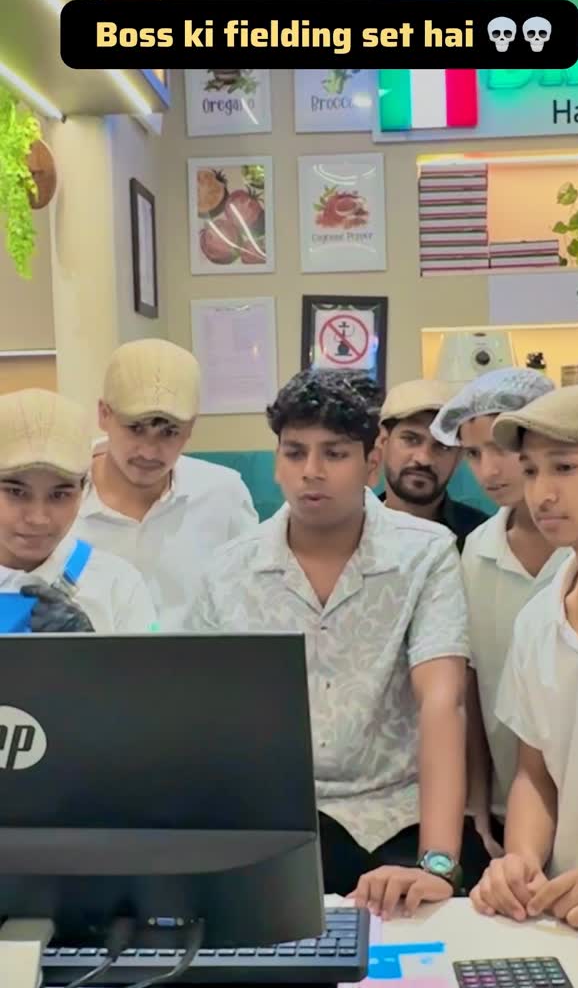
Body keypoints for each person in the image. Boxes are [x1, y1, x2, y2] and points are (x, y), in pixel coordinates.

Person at [190, 370, 470, 913]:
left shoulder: (426, 554)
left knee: (415, 931)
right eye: (295, 452)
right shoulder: (227, 571)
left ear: (371, 462)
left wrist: (437, 864)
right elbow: (207, 720)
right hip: (275, 820)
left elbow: (443, 702)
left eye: (334, 454)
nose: (311, 472)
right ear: (276, 461)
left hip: (398, 816)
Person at [470, 385, 578, 936]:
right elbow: (535, 772)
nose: (541, 493)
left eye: (564, 467)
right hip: (573, 920)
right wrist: (520, 857)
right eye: (531, 470)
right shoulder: (538, 621)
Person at [430, 368, 570, 888]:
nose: (488, 470)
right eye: (472, 453)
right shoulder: (475, 553)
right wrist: (477, 802)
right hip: (513, 804)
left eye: (500, 448)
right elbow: (471, 683)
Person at [75, 338, 258, 629]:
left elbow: (252, 601)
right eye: (135, 428)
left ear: (191, 427)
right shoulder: (58, 501)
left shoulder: (224, 495)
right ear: (104, 414)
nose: (149, 452)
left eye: (169, 432)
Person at [0, 388, 157, 633]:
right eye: (16, 492)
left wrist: (91, 649)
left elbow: (154, 659)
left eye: (59, 495)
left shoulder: (118, 585)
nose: (38, 518)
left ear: (84, 489)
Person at [377, 379, 487, 550]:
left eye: (442, 446)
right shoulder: (346, 528)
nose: (424, 459)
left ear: (458, 458)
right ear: (383, 442)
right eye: (411, 439)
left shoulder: (483, 538)